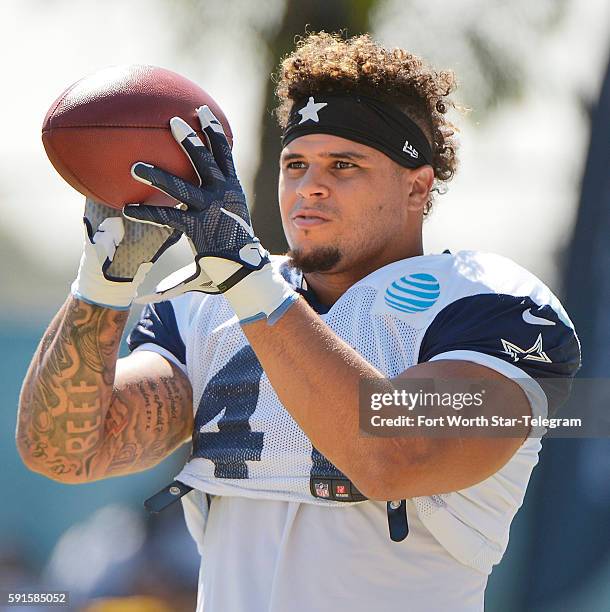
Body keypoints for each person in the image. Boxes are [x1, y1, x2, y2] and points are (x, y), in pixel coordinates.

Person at [17, 32, 580, 611]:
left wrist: (248, 282)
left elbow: (395, 456)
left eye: (344, 165)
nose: (310, 185)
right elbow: (64, 451)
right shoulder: (206, 307)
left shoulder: (490, 305)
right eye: (296, 163)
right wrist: (101, 285)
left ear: (417, 185)